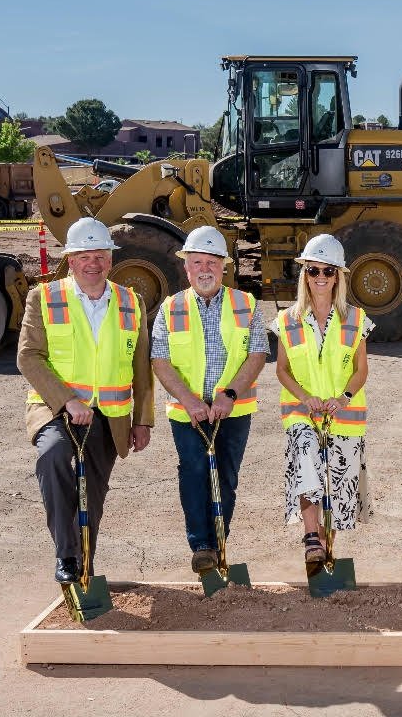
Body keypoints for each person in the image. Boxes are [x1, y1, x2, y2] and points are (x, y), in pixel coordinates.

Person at [16, 217, 154, 584]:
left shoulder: (131, 301)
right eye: (84, 256)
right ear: (71, 260)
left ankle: (83, 565)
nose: (93, 263)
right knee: (54, 457)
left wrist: (143, 419)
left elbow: (141, 367)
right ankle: (67, 555)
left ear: (111, 259)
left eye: (101, 255)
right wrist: (67, 401)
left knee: (91, 494)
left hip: (109, 416)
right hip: (54, 409)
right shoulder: (43, 297)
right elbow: (28, 356)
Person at [151, 226, 268, 574]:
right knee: (195, 470)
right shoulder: (171, 308)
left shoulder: (245, 304)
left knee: (226, 476)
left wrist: (229, 395)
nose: (204, 269)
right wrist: (189, 400)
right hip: (187, 412)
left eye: (211, 262)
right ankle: (201, 545)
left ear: (223, 267)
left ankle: (220, 541)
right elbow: (160, 359)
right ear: (186, 268)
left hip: (233, 410)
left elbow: (257, 352)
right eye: (197, 262)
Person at [277, 234, 374, 563]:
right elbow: (282, 370)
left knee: (337, 487)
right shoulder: (287, 320)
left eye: (327, 271)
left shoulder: (356, 319)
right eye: (313, 271)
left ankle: (326, 547)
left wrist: (344, 397)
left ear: (338, 277)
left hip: (344, 415)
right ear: (304, 275)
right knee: (307, 464)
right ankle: (311, 536)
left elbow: (361, 370)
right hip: (302, 413)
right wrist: (304, 398)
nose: (320, 278)